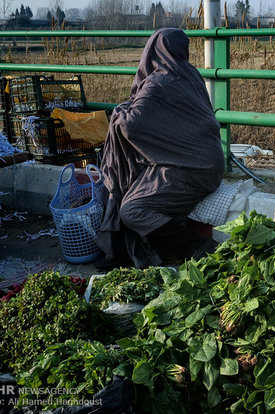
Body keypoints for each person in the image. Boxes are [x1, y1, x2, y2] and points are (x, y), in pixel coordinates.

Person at [96, 28, 225, 269]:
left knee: (132, 210)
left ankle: (194, 246)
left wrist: (119, 112)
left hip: (190, 169)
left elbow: (131, 127)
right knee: (139, 188)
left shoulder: (158, 82)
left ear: (152, 51)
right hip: (209, 163)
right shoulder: (191, 75)